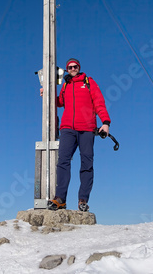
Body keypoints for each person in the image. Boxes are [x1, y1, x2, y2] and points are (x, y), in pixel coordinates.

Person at [40, 58, 110, 212]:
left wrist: (105, 122)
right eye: (69, 67)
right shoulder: (66, 85)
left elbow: (99, 102)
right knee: (63, 161)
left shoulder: (89, 82)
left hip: (86, 129)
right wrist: (47, 94)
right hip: (67, 129)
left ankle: (83, 200)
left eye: (75, 66)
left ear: (79, 67)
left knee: (86, 163)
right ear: (67, 69)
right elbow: (60, 102)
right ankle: (60, 199)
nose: (72, 69)